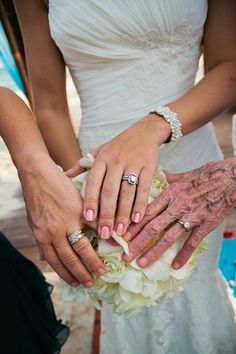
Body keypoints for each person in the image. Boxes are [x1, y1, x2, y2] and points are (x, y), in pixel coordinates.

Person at [14, 0, 236, 353]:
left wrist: (155, 126)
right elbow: (50, 106)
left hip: (187, 158)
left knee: (189, 284)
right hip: (96, 168)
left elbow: (228, 67)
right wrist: (86, 187)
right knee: (124, 298)